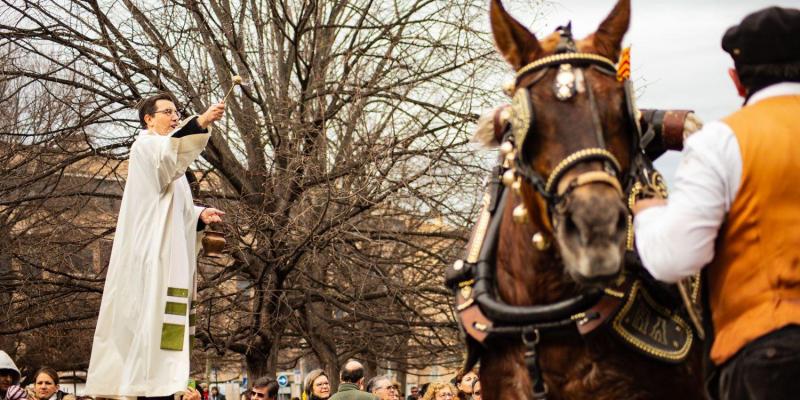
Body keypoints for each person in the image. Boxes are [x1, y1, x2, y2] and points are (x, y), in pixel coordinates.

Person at [632, 6, 800, 400]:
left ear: (736, 81)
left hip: (773, 354)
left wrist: (648, 213)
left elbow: (674, 259)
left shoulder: (723, 141)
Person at [84, 93, 226, 399]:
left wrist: (200, 215)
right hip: (151, 256)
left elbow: (178, 211)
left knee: (165, 328)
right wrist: (200, 122)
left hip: (169, 259)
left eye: (178, 112)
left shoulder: (173, 171)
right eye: (168, 112)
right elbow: (169, 159)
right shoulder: (146, 146)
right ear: (149, 119)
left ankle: (162, 385)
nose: (175, 117)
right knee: (149, 320)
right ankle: (149, 385)